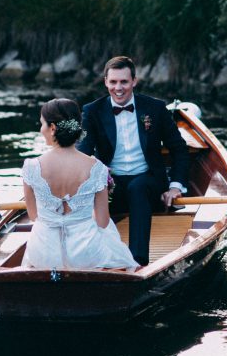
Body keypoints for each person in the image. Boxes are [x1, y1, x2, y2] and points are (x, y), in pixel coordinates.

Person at [77, 56, 189, 266]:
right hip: (112, 186)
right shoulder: (92, 111)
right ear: (105, 82)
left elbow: (179, 149)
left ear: (134, 81)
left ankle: (138, 263)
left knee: (138, 187)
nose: (118, 88)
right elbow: (82, 152)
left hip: (149, 182)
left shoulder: (155, 108)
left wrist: (175, 187)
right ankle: (91, 263)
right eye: (113, 82)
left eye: (124, 82)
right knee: (95, 194)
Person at [21, 97, 138, 270]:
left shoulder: (31, 167)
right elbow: (103, 221)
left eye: (42, 124)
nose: (40, 130)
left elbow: (33, 216)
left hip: (44, 254)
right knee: (109, 233)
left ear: (52, 128)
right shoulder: (97, 168)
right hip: (85, 254)